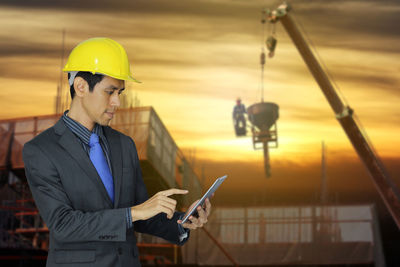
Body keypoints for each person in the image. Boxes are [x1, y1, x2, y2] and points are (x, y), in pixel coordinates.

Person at [22, 37, 211, 267]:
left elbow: (142, 213)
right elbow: (63, 225)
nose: (117, 102)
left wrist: (182, 221)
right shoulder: (41, 151)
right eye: (110, 92)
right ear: (80, 86)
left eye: (119, 92)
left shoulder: (124, 145)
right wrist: (132, 214)